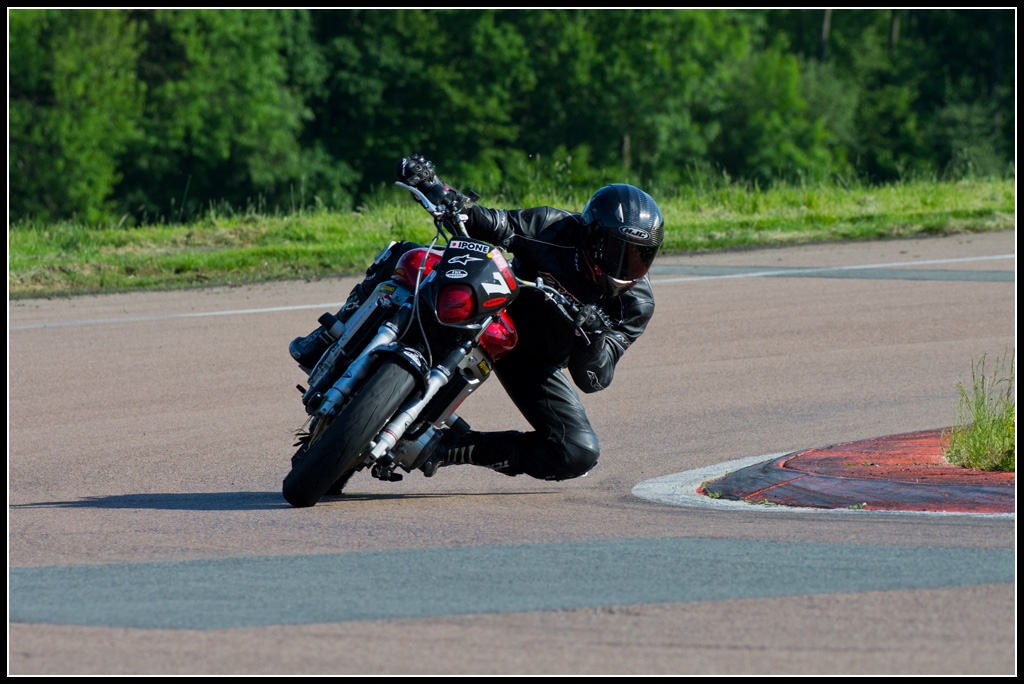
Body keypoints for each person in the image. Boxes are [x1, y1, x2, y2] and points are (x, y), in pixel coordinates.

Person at [290, 155, 663, 482]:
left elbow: (594, 377)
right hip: (495, 308)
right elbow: (489, 222)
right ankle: (327, 339)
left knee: (578, 451)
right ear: (592, 236)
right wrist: (434, 187)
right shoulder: (554, 228)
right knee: (409, 253)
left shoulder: (635, 304)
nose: (629, 265)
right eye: (619, 251)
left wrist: (594, 333)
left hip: (535, 361)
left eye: (640, 255)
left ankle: (449, 447)